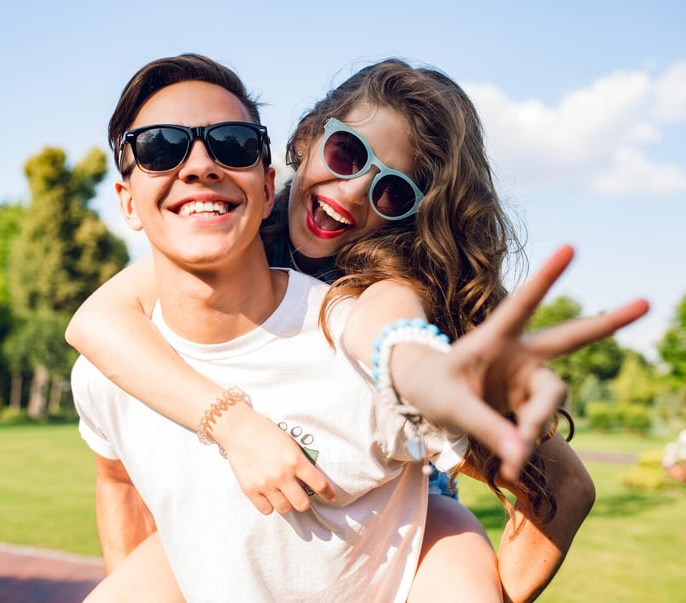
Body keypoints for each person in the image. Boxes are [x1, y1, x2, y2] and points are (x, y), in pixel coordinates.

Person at [69, 55, 647, 602]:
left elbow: (382, 329)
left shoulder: (380, 289)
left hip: (406, 504)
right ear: (308, 139)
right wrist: (234, 424)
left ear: (413, 218)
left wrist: (413, 369)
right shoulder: (228, 229)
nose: (349, 194)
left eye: (392, 190)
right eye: (346, 153)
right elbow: (96, 323)